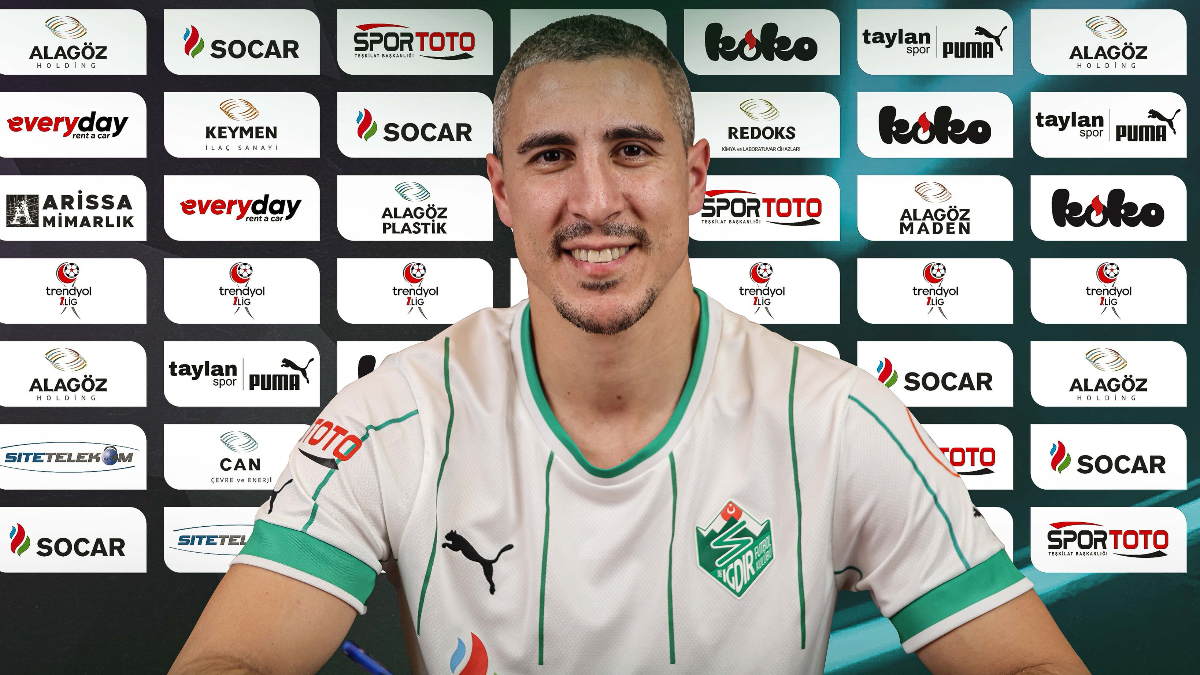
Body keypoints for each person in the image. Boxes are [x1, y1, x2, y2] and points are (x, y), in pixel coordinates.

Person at [170, 15, 1090, 675]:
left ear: (694, 177)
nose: (596, 201)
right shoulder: (398, 414)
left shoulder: (834, 416)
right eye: (551, 156)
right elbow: (230, 656)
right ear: (501, 191)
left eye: (633, 150)